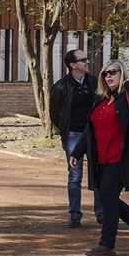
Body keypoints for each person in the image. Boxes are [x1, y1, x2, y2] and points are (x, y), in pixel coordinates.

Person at [70, 60, 129, 256]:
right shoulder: (101, 100)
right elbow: (90, 130)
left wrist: (128, 83)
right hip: (101, 158)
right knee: (107, 198)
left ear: (121, 74)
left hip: (120, 158)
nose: (108, 76)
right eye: (105, 73)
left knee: (107, 198)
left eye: (113, 72)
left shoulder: (128, 97)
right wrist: (76, 152)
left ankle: (107, 244)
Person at [50, 48, 96, 227]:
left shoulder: (94, 82)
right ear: (72, 65)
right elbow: (55, 113)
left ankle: (101, 214)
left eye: (87, 58)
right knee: (75, 176)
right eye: (83, 60)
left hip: (94, 134)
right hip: (73, 135)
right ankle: (74, 215)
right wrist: (65, 131)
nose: (87, 62)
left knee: (97, 173)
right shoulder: (61, 86)